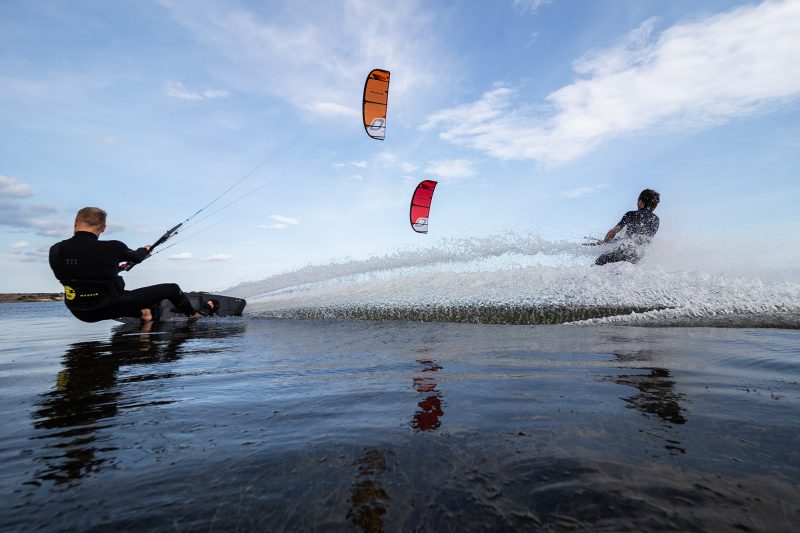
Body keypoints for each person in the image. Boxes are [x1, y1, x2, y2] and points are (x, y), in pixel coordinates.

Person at [49, 207, 199, 322]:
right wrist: (145, 250)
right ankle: (194, 315)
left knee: (115, 298)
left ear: (75, 223)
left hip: (79, 312)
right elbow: (137, 257)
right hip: (111, 306)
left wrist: (118, 268)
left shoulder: (55, 249)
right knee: (172, 288)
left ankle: (144, 314)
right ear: (103, 228)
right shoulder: (113, 247)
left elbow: (83, 273)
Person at [595, 189, 660, 265]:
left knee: (599, 262)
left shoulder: (632, 214)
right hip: (639, 255)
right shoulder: (656, 220)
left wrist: (604, 241)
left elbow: (614, 231)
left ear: (641, 202)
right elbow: (641, 237)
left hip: (626, 250)